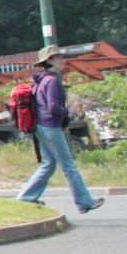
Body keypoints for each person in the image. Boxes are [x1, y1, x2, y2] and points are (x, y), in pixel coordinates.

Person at [14, 47, 104, 213]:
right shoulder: (52, 81)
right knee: (68, 165)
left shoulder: (41, 80)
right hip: (50, 127)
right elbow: (53, 107)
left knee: (48, 164)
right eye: (58, 57)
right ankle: (84, 202)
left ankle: (25, 198)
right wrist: (70, 111)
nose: (63, 60)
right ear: (49, 61)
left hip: (41, 126)